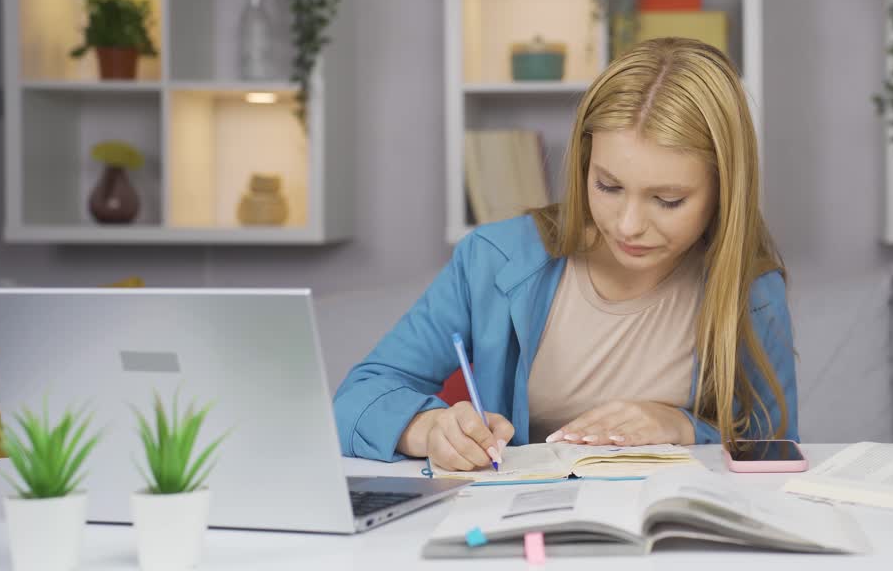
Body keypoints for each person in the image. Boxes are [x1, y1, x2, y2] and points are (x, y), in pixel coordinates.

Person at [333, 37, 798, 470]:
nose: (629, 224)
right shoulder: (492, 259)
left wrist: (681, 425)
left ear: (724, 190)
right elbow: (356, 397)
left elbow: (774, 447)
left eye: (668, 200)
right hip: (525, 532)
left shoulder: (750, 288)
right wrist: (428, 428)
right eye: (609, 186)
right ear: (583, 166)